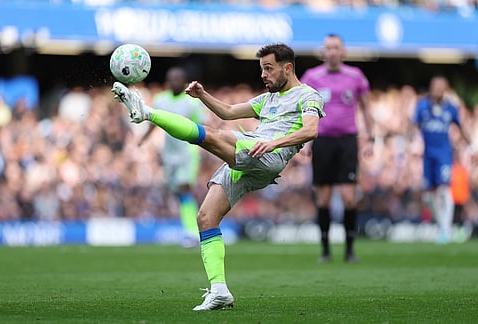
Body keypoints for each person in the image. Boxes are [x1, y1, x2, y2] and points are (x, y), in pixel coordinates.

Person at [111, 43, 326, 311]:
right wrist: (202, 95)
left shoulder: (308, 96)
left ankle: (147, 113)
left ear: (288, 67)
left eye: (268, 69)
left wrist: (275, 144)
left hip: (266, 154)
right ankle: (219, 290)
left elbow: (311, 131)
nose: (263, 75)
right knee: (205, 217)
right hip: (252, 155)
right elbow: (228, 112)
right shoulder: (267, 99)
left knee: (213, 135)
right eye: (262, 69)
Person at [300, 34, 373, 263]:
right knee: (323, 199)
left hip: (347, 141)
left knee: (350, 198)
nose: (332, 52)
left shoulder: (355, 76)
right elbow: (302, 109)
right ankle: (325, 250)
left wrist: (371, 138)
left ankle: (350, 250)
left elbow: (367, 108)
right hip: (322, 141)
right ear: (323, 52)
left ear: (343, 52)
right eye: (328, 48)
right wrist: (304, 140)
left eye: (336, 48)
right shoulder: (311, 77)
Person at [137, 67, 206, 247]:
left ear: (184, 82)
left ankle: (192, 232)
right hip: (169, 153)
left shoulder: (192, 102)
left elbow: (203, 127)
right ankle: (197, 223)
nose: (174, 82)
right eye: (171, 79)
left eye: (178, 79)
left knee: (184, 189)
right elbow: (155, 121)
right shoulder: (161, 100)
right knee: (179, 193)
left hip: (187, 152)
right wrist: (143, 139)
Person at [412, 75, 470, 244]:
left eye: (441, 87)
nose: (438, 90)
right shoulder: (422, 106)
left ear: (445, 89)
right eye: (435, 86)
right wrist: (407, 142)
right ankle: (442, 225)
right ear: (431, 87)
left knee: (444, 189)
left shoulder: (451, 108)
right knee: (428, 197)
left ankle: (445, 230)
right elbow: (412, 125)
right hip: (428, 155)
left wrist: (471, 147)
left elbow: (462, 127)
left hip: (444, 154)